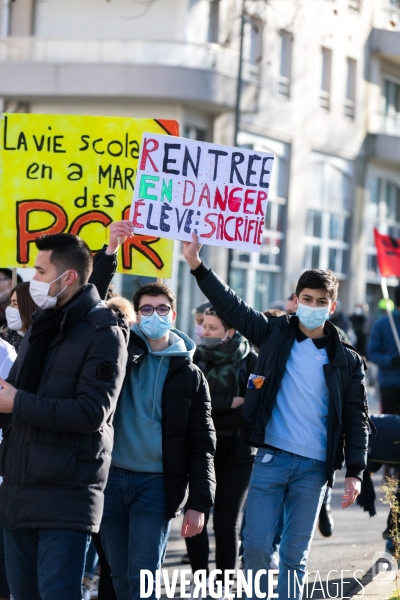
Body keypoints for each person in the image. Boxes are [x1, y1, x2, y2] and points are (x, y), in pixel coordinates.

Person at [183, 233, 370, 600]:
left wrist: (355, 471)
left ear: (332, 307)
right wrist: (195, 264)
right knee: (254, 549)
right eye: (306, 299)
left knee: (293, 557)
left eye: (320, 301)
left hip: (314, 469)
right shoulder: (273, 334)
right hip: (269, 459)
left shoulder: (347, 361)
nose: (312, 306)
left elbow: (356, 416)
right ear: (296, 300)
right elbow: (232, 305)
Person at [0, 233, 129, 600]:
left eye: (40, 272)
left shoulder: (104, 331)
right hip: (19, 491)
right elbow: (12, 395)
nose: (32, 282)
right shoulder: (41, 324)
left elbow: (92, 412)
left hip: (66, 495)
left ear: (68, 277)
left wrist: (17, 402)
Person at [100, 281, 216, 600]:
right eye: (147, 309)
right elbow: (90, 307)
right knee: (119, 575)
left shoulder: (191, 375)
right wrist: (110, 253)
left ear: (173, 315)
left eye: (162, 309)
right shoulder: (119, 352)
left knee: (144, 576)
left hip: (155, 486)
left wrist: (199, 503)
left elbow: (202, 442)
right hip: (111, 478)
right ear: (136, 316)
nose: (155, 315)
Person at [185, 307, 257, 594]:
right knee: (195, 518)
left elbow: (251, 408)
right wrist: (229, 402)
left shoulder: (251, 360)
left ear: (230, 332)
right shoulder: (196, 357)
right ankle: (200, 581)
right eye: (204, 326)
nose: (205, 333)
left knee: (226, 524)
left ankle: (225, 583)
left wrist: (212, 410)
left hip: (238, 454)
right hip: (201, 451)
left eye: (212, 328)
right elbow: (190, 404)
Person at [368, 284, 400, 416]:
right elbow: (372, 352)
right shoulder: (383, 324)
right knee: (391, 426)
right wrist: (391, 361)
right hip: (389, 384)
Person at [1, 282, 38, 352]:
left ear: (30, 307)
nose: (9, 307)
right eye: (10, 302)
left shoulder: (43, 343)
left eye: (15, 303)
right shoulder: (3, 338)